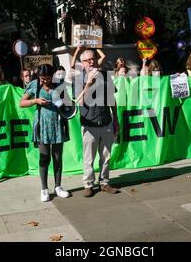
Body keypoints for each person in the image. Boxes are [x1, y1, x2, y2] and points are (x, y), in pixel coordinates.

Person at [19, 64, 71, 202]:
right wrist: (36, 100)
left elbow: (68, 102)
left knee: (58, 157)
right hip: (42, 125)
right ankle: (44, 189)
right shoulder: (34, 85)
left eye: (48, 78)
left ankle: (58, 187)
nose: (45, 81)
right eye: (43, 78)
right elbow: (21, 103)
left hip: (58, 124)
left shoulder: (59, 84)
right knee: (44, 157)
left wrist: (62, 102)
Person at [73, 49, 120, 197]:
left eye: (93, 58)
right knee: (89, 158)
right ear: (82, 64)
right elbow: (79, 101)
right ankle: (88, 185)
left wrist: (116, 120)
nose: (91, 62)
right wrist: (88, 84)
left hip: (106, 122)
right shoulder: (78, 79)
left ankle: (104, 182)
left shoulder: (106, 76)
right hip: (89, 124)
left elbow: (112, 99)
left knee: (106, 156)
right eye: (87, 60)